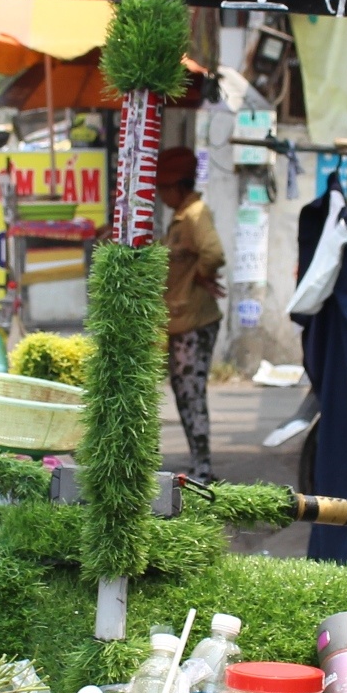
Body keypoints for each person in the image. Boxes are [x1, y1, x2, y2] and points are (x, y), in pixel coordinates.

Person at [157, 146, 226, 481]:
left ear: (177, 185)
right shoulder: (181, 217)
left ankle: (204, 468)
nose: (160, 195)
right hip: (182, 322)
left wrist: (200, 275)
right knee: (184, 393)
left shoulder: (195, 214)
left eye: (163, 188)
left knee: (191, 393)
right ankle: (199, 463)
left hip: (195, 322)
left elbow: (214, 253)